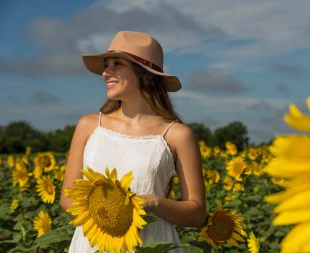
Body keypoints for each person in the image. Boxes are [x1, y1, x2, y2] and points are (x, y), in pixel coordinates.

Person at [60, 31, 206, 252]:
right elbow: (67, 199)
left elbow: (196, 214)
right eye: (106, 65)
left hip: (152, 245)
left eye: (117, 64)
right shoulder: (89, 126)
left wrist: (154, 203)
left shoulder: (176, 134)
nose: (105, 73)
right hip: (94, 244)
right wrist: (111, 218)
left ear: (144, 73)